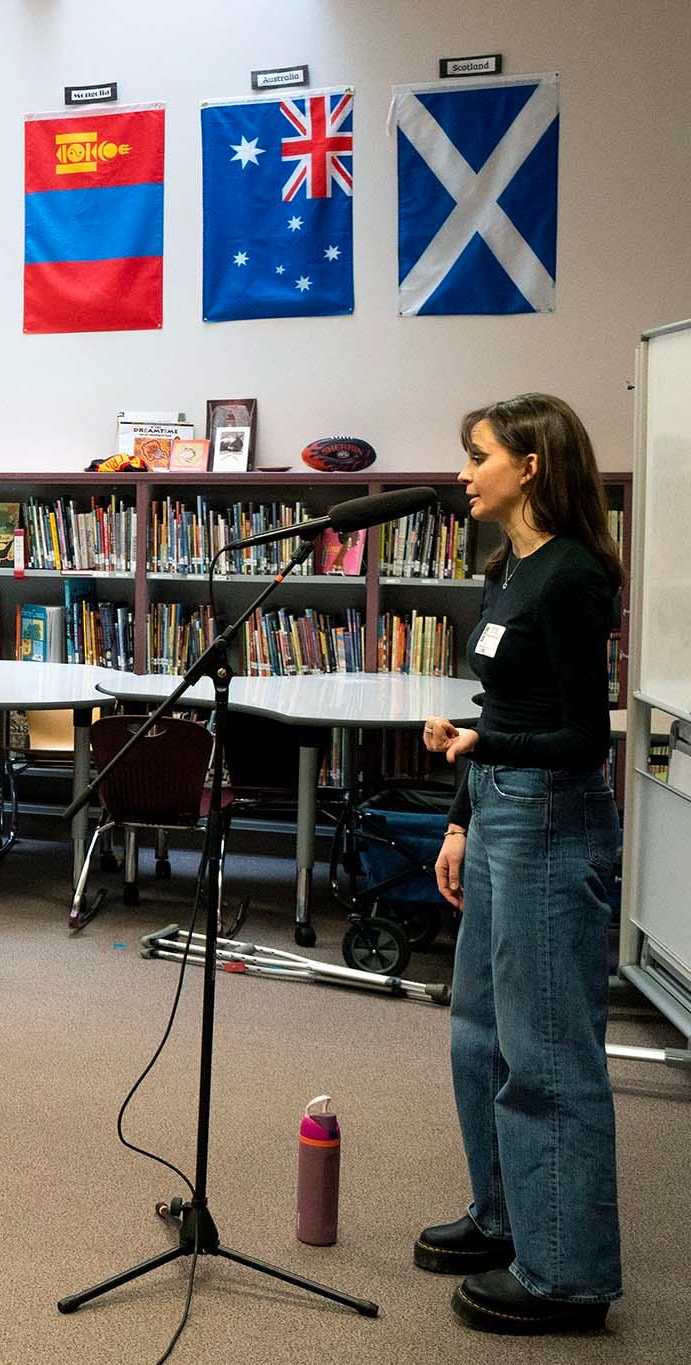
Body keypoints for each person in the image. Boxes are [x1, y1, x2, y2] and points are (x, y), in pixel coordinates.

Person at [418, 394, 627, 1335]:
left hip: (553, 821)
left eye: (478, 455)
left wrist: (480, 746)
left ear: (531, 465)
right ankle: (507, 1218)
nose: (465, 471)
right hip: (500, 814)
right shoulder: (507, 568)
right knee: (479, 1033)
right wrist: (463, 814)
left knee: (546, 1050)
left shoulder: (575, 576)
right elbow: (501, 702)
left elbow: (584, 736)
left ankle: (567, 1274)